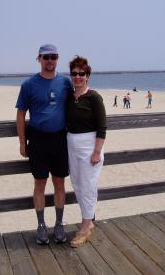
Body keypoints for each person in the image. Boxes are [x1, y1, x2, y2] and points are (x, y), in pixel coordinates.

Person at [15, 44, 72, 245]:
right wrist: (23, 142)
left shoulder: (66, 82)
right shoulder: (29, 84)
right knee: (40, 183)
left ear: (57, 59)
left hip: (60, 140)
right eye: (46, 57)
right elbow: (21, 115)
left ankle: (58, 223)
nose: (50, 60)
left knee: (59, 183)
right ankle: (41, 226)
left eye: (54, 57)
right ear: (38, 58)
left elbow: (79, 103)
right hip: (38, 140)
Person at [66, 56, 107, 248]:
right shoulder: (70, 96)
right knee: (78, 185)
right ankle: (88, 221)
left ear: (87, 75)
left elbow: (102, 127)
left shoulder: (94, 97)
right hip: (71, 144)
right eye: (74, 73)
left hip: (90, 145)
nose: (77, 77)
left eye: (81, 73)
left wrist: (97, 152)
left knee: (89, 186)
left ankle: (86, 227)